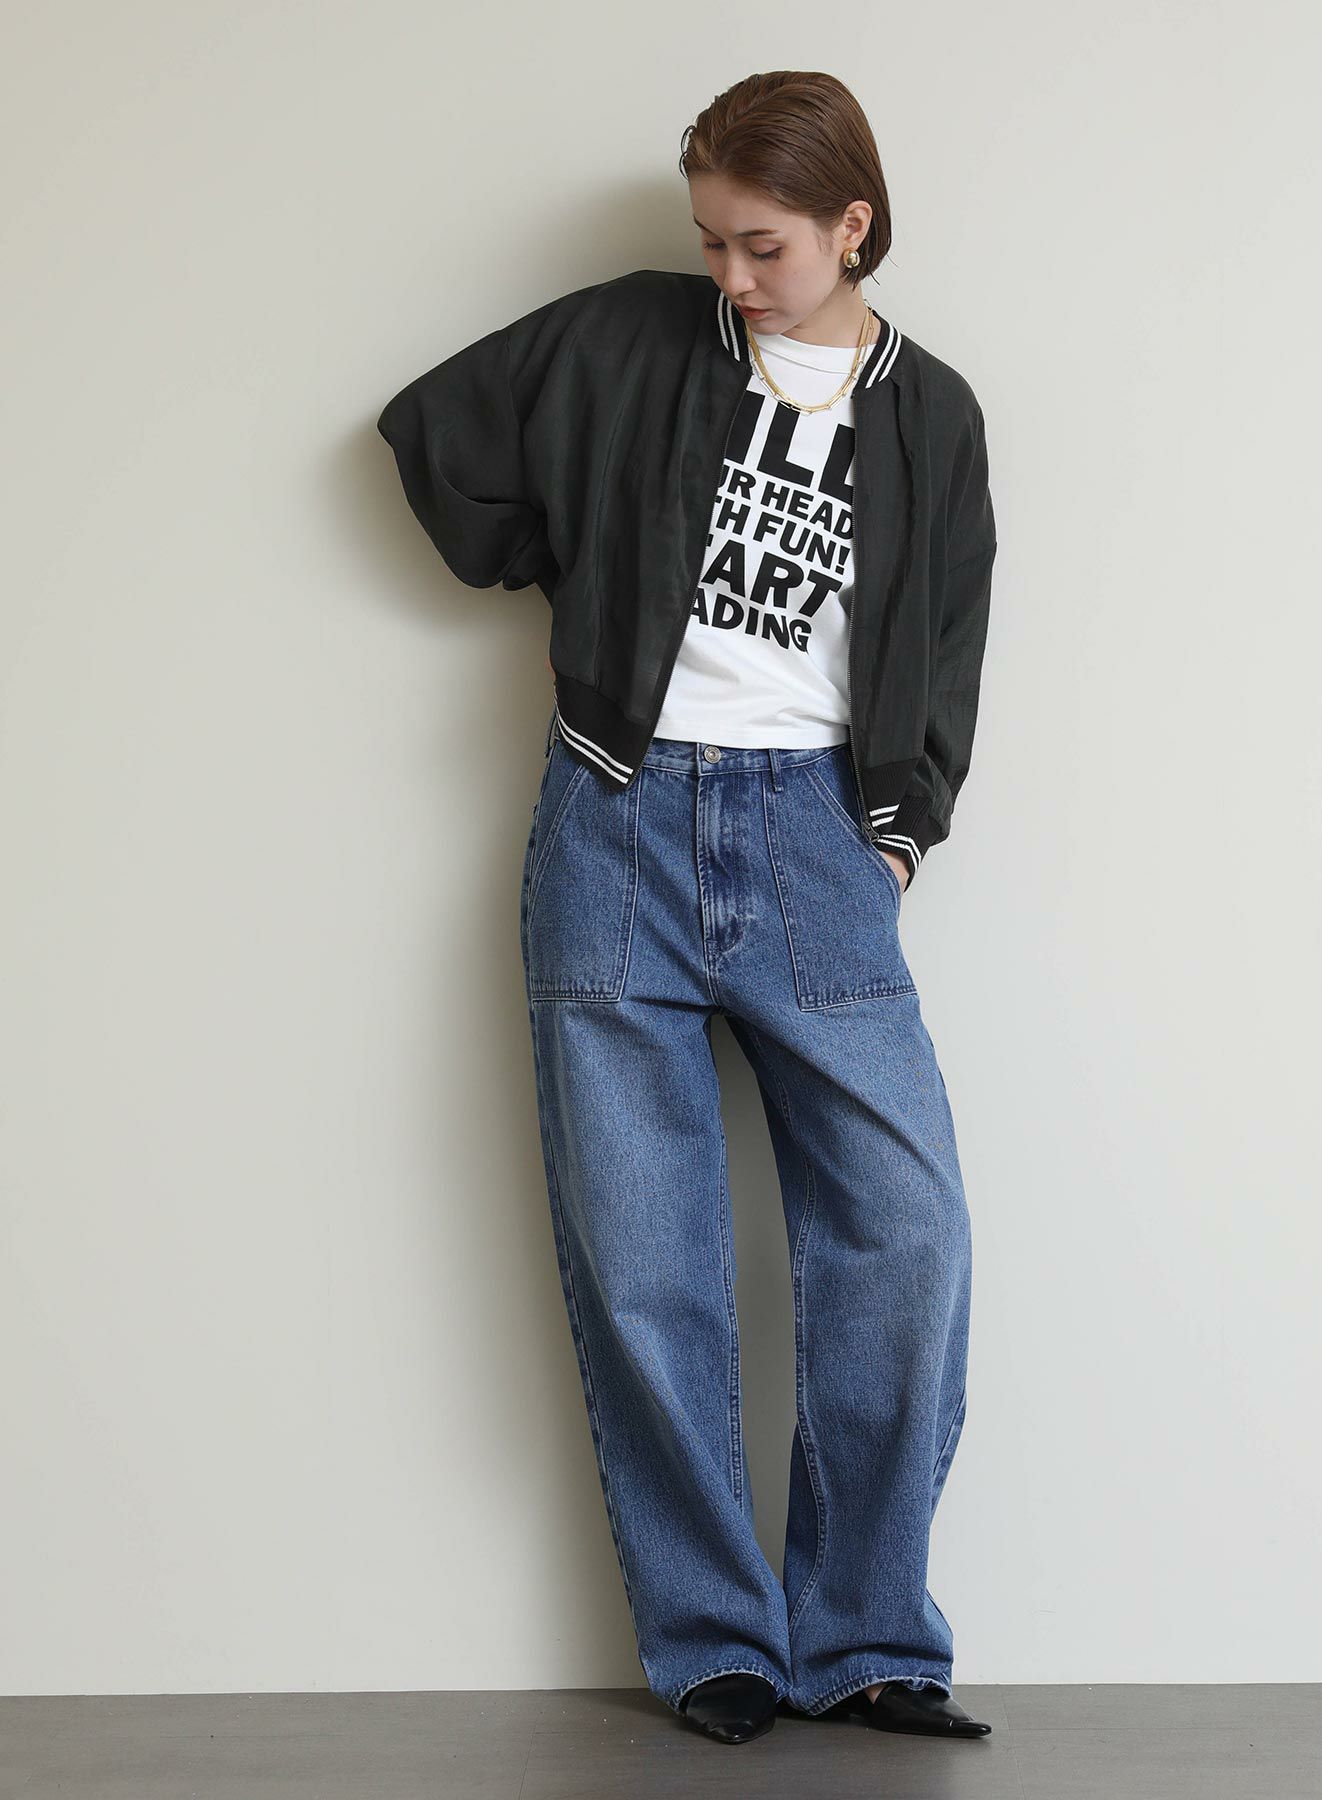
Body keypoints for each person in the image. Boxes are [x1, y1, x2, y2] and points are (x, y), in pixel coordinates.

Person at [377, 71, 998, 1749]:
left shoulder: (933, 414)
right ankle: (714, 1638)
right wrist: (576, 567)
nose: (732, 274)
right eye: (713, 240)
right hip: (618, 816)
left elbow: (946, 642)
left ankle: (868, 1639)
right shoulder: (635, 337)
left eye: (764, 245)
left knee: (906, 1238)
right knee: (646, 1258)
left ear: (853, 224)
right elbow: (437, 438)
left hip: (816, 840)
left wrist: (895, 841)